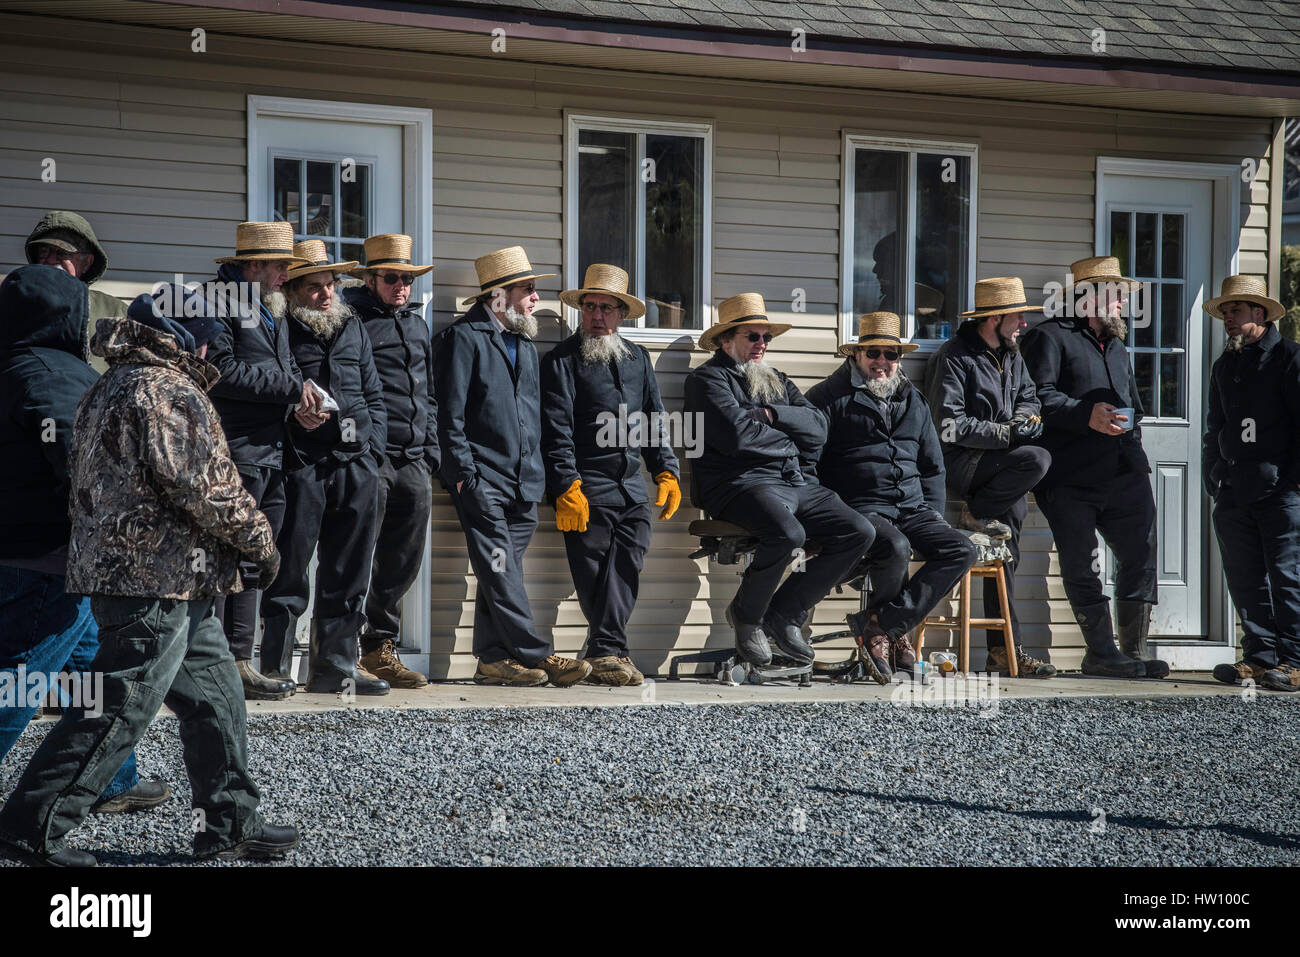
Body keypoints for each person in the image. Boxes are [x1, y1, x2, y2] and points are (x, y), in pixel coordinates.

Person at [0, 297, 298, 866]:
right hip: (153, 582)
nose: (209, 348)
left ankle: (231, 824)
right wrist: (261, 541)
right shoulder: (165, 390)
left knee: (216, 698)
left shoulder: (110, 384)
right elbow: (205, 488)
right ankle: (29, 825)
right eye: (205, 336)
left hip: (170, 580)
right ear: (179, 337)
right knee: (121, 705)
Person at [0, 266, 168, 814]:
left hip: (25, 547)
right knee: (19, 680)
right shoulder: (54, 372)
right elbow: (83, 460)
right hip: (50, 555)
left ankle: (113, 779)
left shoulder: (11, 366)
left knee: (90, 669)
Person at [685, 293, 874, 668]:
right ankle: (747, 615)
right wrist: (790, 440)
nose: (762, 344)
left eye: (766, 337)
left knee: (858, 531)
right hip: (738, 484)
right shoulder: (707, 381)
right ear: (726, 339)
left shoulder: (777, 381)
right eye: (753, 336)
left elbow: (818, 429)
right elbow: (737, 438)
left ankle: (783, 613)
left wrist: (771, 415)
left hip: (793, 481)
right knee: (788, 534)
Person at [435, 246, 590, 687]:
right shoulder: (462, 339)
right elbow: (448, 415)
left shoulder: (523, 340)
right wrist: (465, 478)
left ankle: (492, 658)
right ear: (499, 295)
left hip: (525, 483)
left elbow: (534, 415)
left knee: (500, 572)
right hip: (482, 480)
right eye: (528, 289)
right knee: (501, 568)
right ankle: (539, 654)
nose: (536, 297)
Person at [808, 312, 977, 682]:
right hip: (859, 508)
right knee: (896, 546)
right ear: (856, 354)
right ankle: (890, 634)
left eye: (891, 354)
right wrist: (828, 515)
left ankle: (883, 626)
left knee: (962, 549)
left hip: (913, 507)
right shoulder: (827, 398)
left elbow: (933, 467)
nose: (881, 361)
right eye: (873, 353)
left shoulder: (913, 400)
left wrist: (933, 514)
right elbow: (808, 465)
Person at [1020, 255, 1168, 678]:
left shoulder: (1118, 346)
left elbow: (1133, 406)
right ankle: (1101, 652)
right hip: (1071, 476)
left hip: (1124, 470)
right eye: (1115, 295)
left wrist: (1133, 442)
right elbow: (1035, 399)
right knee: (1082, 563)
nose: (1123, 302)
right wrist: (1085, 414)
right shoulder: (1049, 337)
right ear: (1088, 298)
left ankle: (1134, 651)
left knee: (1141, 554)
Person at [541, 265, 681, 686]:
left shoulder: (638, 358)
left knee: (626, 566)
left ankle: (604, 650)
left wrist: (667, 470)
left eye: (606, 308)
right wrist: (567, 484)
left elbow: (654, 420)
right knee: (595, 573)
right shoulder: (561, 360)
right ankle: (609, 652)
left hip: (633, 487)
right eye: (589, 307)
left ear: (622, 314)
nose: (597, 316)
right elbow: (556, 429)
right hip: (586, 485)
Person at [201, 222, 324, 700]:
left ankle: (240, 662)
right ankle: (212, 665)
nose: (285, 276)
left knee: (255, 557)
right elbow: (222, 371)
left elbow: (287, 370)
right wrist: (294, 389)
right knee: (226, 559)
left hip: (272, 452)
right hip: (235, 451)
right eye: (279, 266)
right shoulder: (217, 302)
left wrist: (302, 411)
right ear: (252, 265)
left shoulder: (271, 307)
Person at [260, 242, 388, 695]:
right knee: (289, 569)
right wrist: (292, 416)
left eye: (330, 284)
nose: (326, 294)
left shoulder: (352, 325)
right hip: (303, 463)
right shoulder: (279, 327)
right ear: (292, 290)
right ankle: (275, 669)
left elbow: (373, 393)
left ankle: (335, 668)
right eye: (314, 286)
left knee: (349, 572)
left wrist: (373, 451)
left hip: (356, 463)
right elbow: (272, 389)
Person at [927, 277, 1055, 677]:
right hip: (962, 464)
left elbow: (1030, 398)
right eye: (1018, 317)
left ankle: (1004, 651)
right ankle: (975, 513)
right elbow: (948, 425)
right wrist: (1007, 434)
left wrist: (1026, 420)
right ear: (994, 318)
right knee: (1038, 459)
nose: (1023, 324)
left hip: (1000, 469)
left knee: (1006, 547)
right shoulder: (955, 356)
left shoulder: (1013, 355)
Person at [345, 235, 438, 688]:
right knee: (356, 552)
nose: (401, 286)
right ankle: (341, 648)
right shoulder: (353, 321)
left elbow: (429, 392)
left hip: (414, 459)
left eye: (406, 278)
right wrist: (366, 447)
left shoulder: (417, 325)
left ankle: (380, 646)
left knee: (403, 557)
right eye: (391, 278)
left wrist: (431, 449)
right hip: (373, 457)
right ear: (370, 279)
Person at [1202, 275, 1300, 693]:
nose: (1228, 318)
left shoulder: (1290, 358)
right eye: (1225, 312)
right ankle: (1260, 657)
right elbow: (1215, 426)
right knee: (1244, 577)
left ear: (1259, 313)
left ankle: (1295, 660)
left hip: (1281, 490)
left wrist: (1292, 482)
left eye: (1236, 310)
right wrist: (1213, 474)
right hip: (1234, 489)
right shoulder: (1225, 365)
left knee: (1286, 576)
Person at [23, 210, 127, 374]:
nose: (51, 260)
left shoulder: (114, 313)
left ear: (86, 263)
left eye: (62, 252)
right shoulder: (14, 306)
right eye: (44, 251)